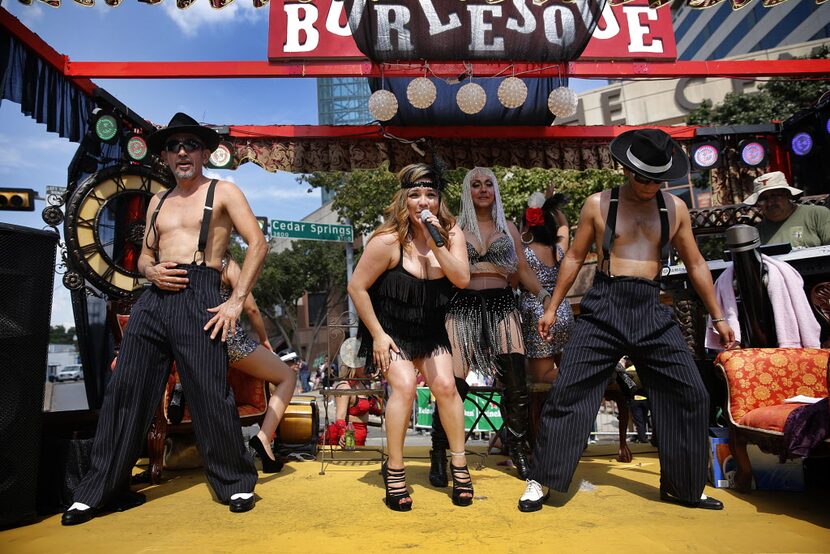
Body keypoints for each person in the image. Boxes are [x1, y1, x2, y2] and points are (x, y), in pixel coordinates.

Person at [62, 113, 267, 525]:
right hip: (155, 299)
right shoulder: (159, 200)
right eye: (174, 147)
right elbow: (146, 256)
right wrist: (150, 270)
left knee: (209, 391)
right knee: (126, 389)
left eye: (190, 144)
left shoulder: (223, 191)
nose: (182, 152)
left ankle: (235, 481)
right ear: (166, 157)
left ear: (204, 152)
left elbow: (258, 244)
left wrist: (234, 301)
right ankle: (98, 490)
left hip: (202, 293)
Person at [518, 128, 736, 513]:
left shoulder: (675, 208)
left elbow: (697, 262)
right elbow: (572, 258)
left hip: (651, 305)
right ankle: (542, 480)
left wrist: (719, 316)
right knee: (570, 388)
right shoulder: (599, 204)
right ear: (626, 169)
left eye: (658, 179)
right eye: (643, 177)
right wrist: (552, 307)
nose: (650, 186)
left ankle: (684, 487)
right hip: (604, 304)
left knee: (690, 392)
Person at [348, 163, 472, 511]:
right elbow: (356, 287)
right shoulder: (386, 241)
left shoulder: (451, 233)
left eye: (430, 195)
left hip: (429, 328)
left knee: (446, 386)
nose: (423, 202)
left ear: (438, 200)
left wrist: (438, 241)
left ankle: (459, 465)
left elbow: (461, 278)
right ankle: (396, 470)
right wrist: (377, 335)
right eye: (415, 195)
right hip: (391, 329)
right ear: (404, 199)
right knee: (403, 386)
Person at [431, 167, 551, 484]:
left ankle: (519, 451)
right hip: (463, 306)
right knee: (451, 383)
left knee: (515, 382)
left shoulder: (508, 227)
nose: (483, 189)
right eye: (475, 185)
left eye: (488, 184)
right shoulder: (453, 228)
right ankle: (439, 454)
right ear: (467, 192)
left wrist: (547, 297)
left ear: (495, 190)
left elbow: (522, 270)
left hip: (501, 303)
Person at [220, 254, 297, 473]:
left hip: (196, 344)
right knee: (288, 377)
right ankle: (263, 437)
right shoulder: (227, 265)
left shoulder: (190, 262)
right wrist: (264, 340)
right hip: (230, 342)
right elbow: (251, 309)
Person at [518, 191, 574, 384]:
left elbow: (513, 282)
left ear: (526, 228)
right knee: (566, 365)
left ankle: (585, 377)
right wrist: (552, 207)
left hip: (538, 314)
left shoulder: (522, 254)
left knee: (542, 377)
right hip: (562, 310)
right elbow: (565, 226)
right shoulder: (558, 249)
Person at [743, 171, 830, 248]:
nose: (769, 203)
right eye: (763, 199)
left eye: (775, 196)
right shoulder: (756, 233)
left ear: (788, 195)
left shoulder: (817, 215)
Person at [320, 338, 381, 447]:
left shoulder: (362, 384)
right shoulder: (344, 387)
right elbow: (340, 417)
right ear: (355, 365)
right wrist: (343, 435)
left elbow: (377, 409)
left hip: (361, 438)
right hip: (350, 439)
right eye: (365, 364)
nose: (369, 368)